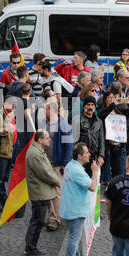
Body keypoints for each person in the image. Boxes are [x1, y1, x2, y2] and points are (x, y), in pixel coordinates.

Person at [60, 143, 99, 256]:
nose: (89, 154)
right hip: (76, 210)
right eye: (87, 152)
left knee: (74, 237)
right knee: (74, 239)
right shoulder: (77, 171)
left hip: (70, 208)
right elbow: (92, 187)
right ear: (80, 156)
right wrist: (95, 172)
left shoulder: (70, 166)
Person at [24, 130, 60, 256]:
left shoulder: (37, 151)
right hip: (39, 192)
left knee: (38, 222)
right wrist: (57, 181)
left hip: (42, 191)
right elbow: (44, 172)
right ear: (40, 140)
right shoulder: (35, 153)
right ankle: (30, 250)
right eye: (47, 138)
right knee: (36, 222)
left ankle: (32, 248)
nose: (49, 140)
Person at [38, 97, 73, 232]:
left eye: (45, 108)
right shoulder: (43, 122)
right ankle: (51, 215)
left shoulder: (63, 125)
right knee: (46, 190)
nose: (43, 111)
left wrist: (65, 163)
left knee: (56, 192)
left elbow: (69, 145)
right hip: (45, 162)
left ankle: (54, 219)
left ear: (51, 110)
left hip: (57, 163)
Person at [98, 83, 129, 183]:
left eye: (114, 97)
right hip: (107, 145)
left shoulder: (119, 109)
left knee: (120, 171)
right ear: (105, 99)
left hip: (120, 144)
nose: (112, 100)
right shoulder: (103, 110)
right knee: (106, 174)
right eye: (110, 98)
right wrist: (113, 105)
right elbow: (102, 115)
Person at [0, 100, 16, 212]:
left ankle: (2, 196)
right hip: (2, 150)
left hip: (9, 149)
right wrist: (6, 129)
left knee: (4, 176)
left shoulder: (9, 114)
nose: (14, 106)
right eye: (11, 103)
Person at [71, 96, 105, 178]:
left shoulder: (99, 121)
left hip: (94, 157)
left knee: (93, 182)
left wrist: (101, 156)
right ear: (84, 106)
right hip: (81, 157)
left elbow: (101, 139)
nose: (90, 107)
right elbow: (72, 140)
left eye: (92, 105)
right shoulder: (76, 120)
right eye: (88, 105)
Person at [117, 69, 129, 155]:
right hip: (118, 124)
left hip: (128, 124)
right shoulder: (112, 89)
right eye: (127, 78)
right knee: (119, 151)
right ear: (120, 78)